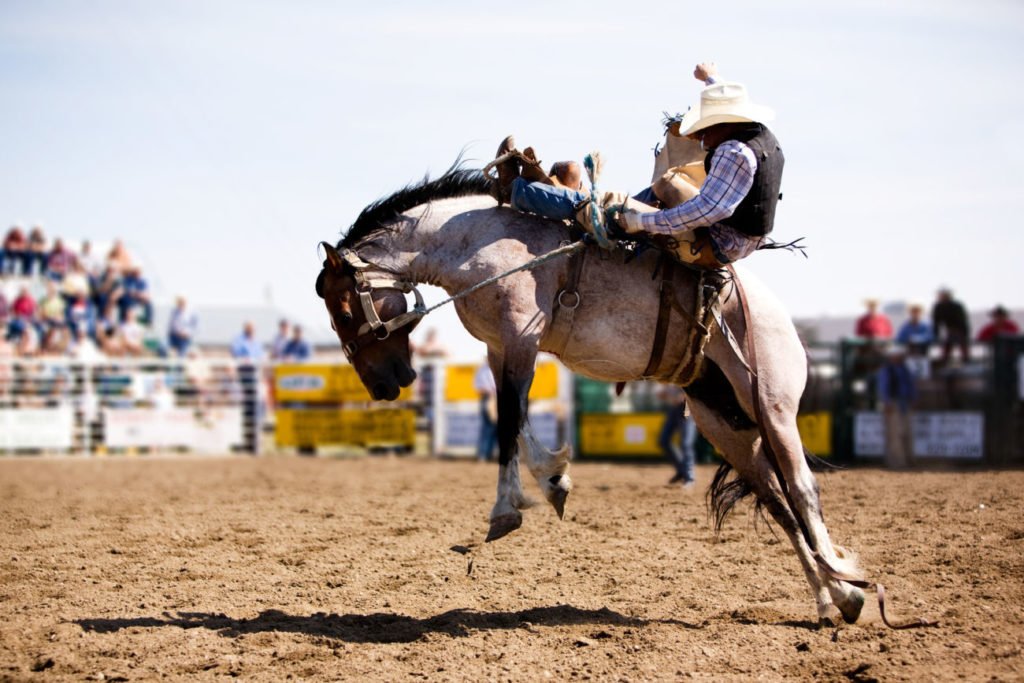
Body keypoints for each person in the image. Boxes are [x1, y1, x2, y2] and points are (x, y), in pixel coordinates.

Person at [491, 62, 784, 268]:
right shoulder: (752, 133)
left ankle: (515, 190)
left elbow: (705, 212)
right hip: (732, 234)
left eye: (707, 127)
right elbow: (725, 103)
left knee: (614, 209)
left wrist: (640, 222)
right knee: (667, 184)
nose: (702, 135)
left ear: (726, 122)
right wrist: (711, 79)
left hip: (714, 242)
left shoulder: (734, 152)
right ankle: (569, 198)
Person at [877, 345, 916, 468]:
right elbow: (883, 388)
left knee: (907, 432)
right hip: (894, 403)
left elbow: (911, 385)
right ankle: (897, 462)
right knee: (895, 434)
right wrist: (887, 402)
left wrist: (913, 398)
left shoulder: (904, 369)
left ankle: (908, 459)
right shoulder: (888, 370)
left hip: (904, 402)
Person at [657, 384, 696, 488]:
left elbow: (691, 392)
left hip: (687, 408)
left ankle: (689, 477)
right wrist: (664, 394)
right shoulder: (671, 378)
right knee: (663, 441)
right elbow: (663, 395)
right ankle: (681, 471)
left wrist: (682, 396)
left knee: (686, 444)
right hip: (675, 409)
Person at [932, 287, 970, 365]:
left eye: (944, 295)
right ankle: (944, 364)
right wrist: (935, 335)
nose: (942, 296)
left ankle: (967, 362)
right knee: (946, 350)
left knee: (963, 347)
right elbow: (936, 322)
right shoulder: (938, 307)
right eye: (941, 295)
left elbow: (963, 320)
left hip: (960, 330)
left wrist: (964, 333)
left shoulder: (957, 306)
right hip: (949, 331)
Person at [896, 303, 933, 379]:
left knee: (924, 375)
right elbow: (899, 339)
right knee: (910, 374)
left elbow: (931, 337)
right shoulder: (906, 326)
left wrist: (919, 338)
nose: (915, 314)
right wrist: (908, 339)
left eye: (917, 312)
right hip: (910, 355)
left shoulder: (926, 325)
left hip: (923, 355)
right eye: (913, 312)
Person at [474, 360, 498, 462]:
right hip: (490, 398)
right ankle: (484, 454)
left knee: (492, 428)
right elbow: (479, 387)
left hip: (496, 397)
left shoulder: (483, 369)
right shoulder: (484, 369)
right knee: (488, 427)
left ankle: (486, 454)